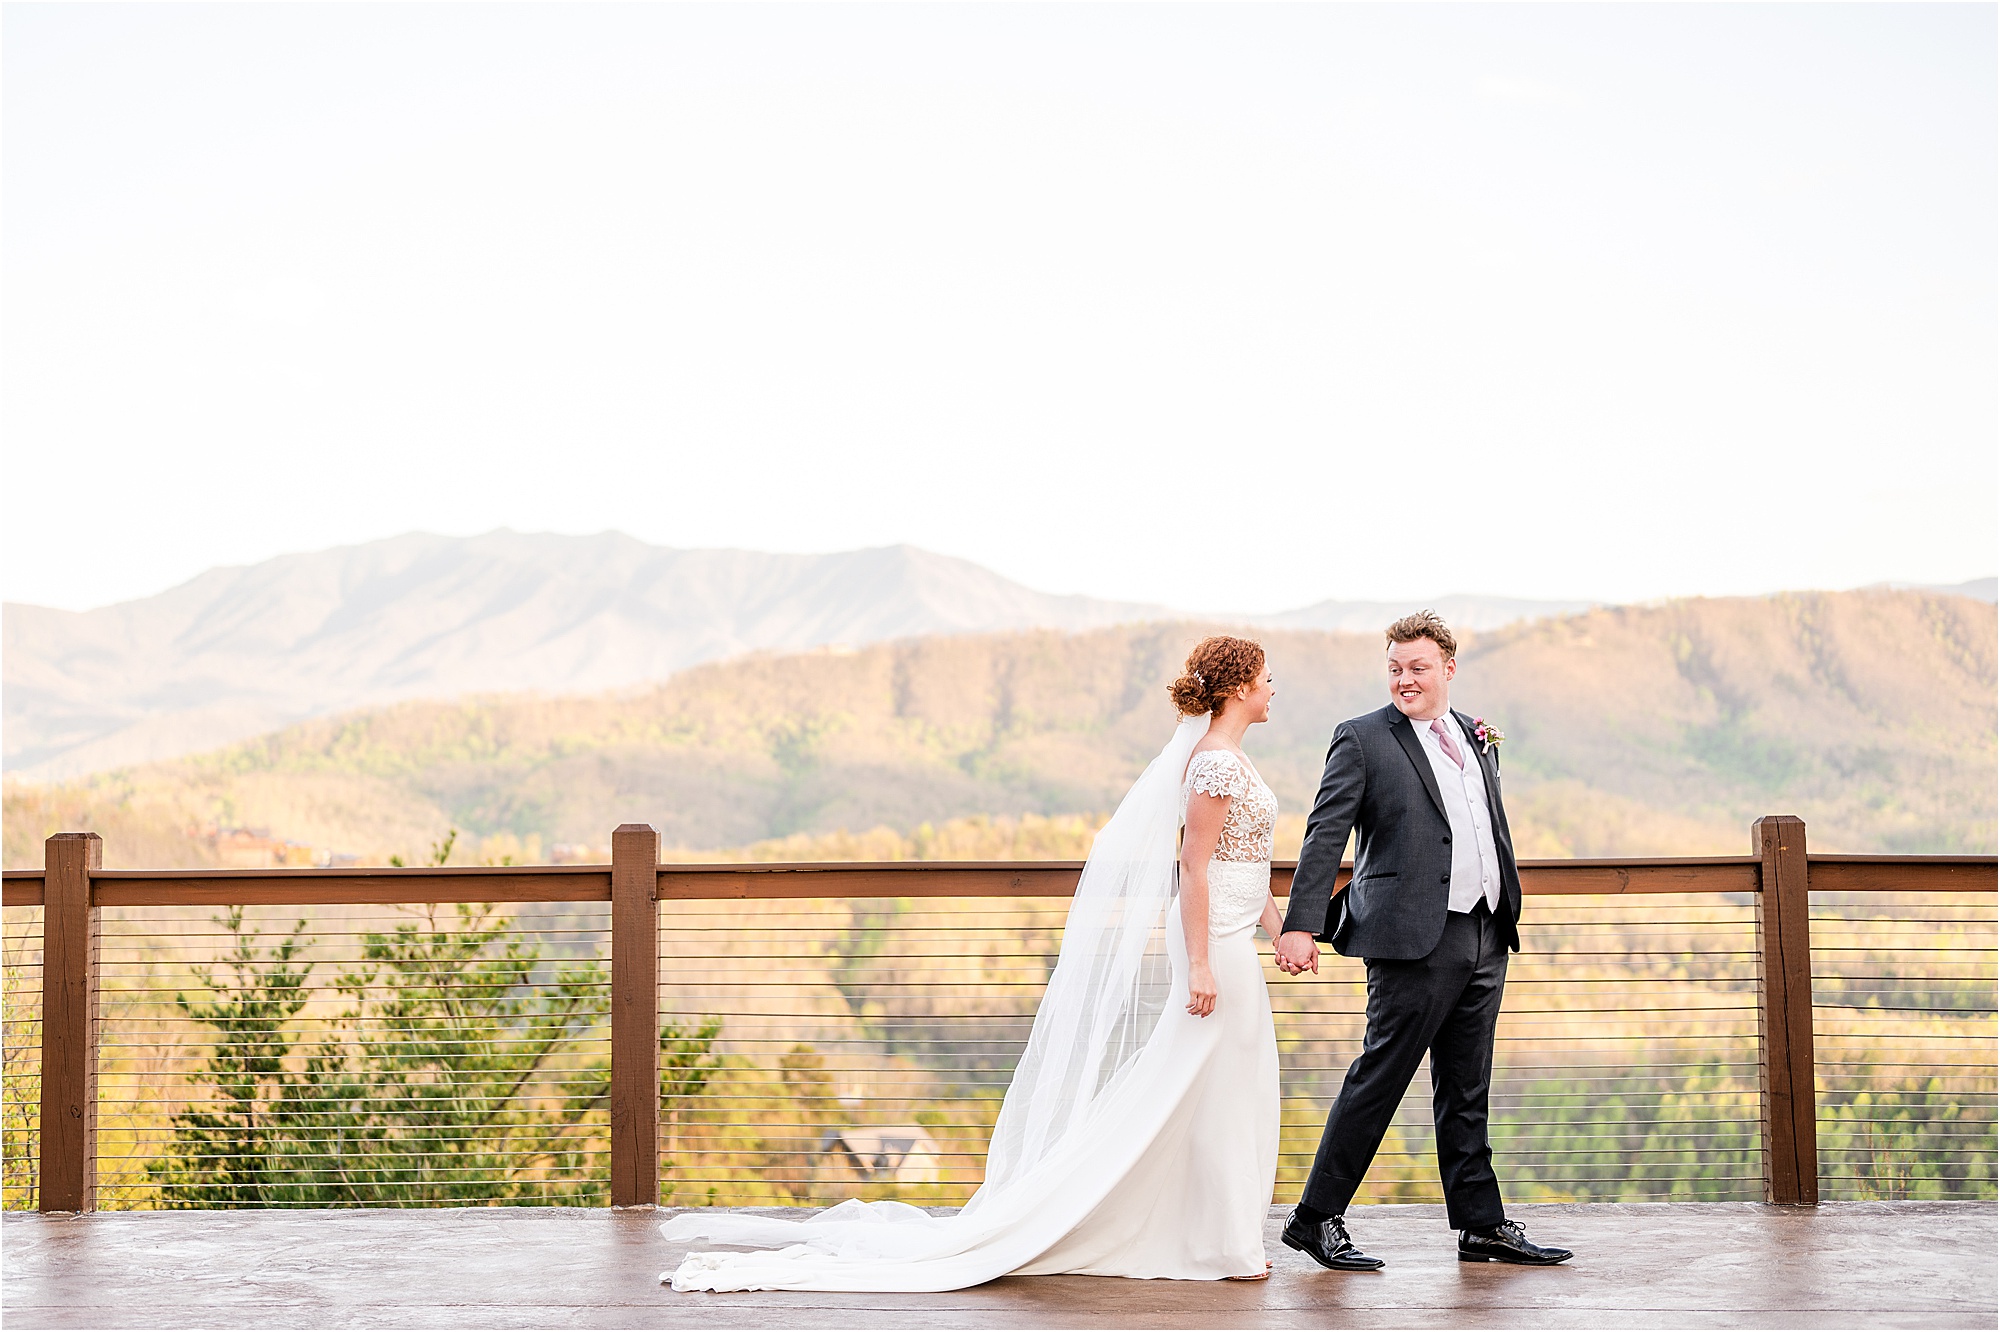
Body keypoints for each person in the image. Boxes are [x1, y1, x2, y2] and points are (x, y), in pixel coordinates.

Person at [660, 635, 1288, 1291]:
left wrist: (1277, 929)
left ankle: (1220, 1237)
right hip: (1213, 941)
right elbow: (1193, 866)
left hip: (1237, 933)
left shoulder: (1231, 757)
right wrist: (1200, 965)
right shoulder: (1213, 763)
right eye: (1269, 678)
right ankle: (1219, 1245)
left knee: (1223, 1086)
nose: (1275, 688)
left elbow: (1242, 862)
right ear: (1240, 686)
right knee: (1212, 1091)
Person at [1272, 611, 1573, 1269]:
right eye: (1395, 668)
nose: (1404, 680)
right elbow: (1325, 834)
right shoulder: (1361, 739)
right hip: (1410, 939)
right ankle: (1314, 1218)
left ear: (1448, 670)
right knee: (1381, 1075)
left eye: (1417, 668)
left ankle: (1481, 1225)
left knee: (1468, 1085)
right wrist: (1301, 923)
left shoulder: (1475, 733)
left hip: (1487, 929)